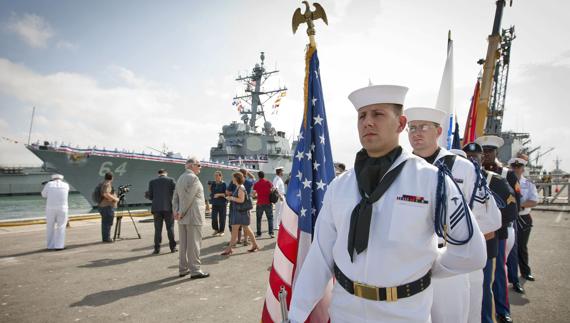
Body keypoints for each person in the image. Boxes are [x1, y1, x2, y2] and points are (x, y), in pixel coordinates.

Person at [288, 84, 486, 322]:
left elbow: (472, 253)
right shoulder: (340, 186)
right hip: (345, 311)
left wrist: (425, 268)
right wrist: (296, 314)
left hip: (404, 313)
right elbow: (320, 256)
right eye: (362, 116)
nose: (367, 122)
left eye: (378, 114)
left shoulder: (431, 180)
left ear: (401, 124)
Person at [404, 107, 501, 323]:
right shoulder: (401, 168)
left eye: (423, 127)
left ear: (438, 132)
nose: (416, 133)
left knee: (450, 317)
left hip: (450, 262)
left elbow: (490, 219)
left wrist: (456, 246)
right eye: (412, 128)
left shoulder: (463, 168)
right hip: (409, 261)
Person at [463, 142, 518, 323]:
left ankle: (489, 318)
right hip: (462, 244)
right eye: (468, 157)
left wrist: (487, 227)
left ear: (482, 159)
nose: (472, 160)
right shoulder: (455, 179)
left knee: (486, 286)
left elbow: (510, 211)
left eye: (476, 157)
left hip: (489, 242)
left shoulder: (494, 180)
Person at [172, 158, 209, 279]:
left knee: (183, 245)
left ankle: (183, 269)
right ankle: (195, 270)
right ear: (191, 166)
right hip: (193, 216)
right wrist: (181, 212)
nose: (200, 167)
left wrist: (176, 212)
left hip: (182, 217)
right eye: (198, 165)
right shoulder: (194, 178)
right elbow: (189, 197)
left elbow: (175, 198)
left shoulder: (180, 178)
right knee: (194, 244)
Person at [509, 156, 538, 282]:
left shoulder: (529, 184)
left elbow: (534, 201)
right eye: (514, 167)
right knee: (509, 248)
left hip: (523, 217)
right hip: (509, 218)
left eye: (518, 167)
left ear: (523, 169)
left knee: (521, 246)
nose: (516, 169)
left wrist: (519, 205)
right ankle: (510, 275)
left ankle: (526, 272)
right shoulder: (505, 182)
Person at [221, 172, 260, 255]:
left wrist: (231, 198)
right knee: (246, 229)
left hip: (240, 213)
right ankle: (255, 245)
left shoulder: (240, 188)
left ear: (236, 179)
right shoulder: (240, 187)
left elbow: (241, 200)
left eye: (233, 178)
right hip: (241, 212)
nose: (232, 179)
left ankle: (229, 249)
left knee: (236, 230)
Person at [147, 169, 177, 254]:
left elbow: (150, 196)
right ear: (166, 173)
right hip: (168, 208)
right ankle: (173, 248)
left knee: (157, 230)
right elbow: (177, 192)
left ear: (158, 174)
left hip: (156, 208)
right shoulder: (171, 180)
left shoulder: (152, 182)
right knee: (170, 228)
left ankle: (157, 249)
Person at [41, 174, 70, 250]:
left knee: (50, 226)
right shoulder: (66, 185)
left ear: (53, 178)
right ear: (61, 178)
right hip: (63, 208)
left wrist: (47, 186)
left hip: (50, 208)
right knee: (61, 227)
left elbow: (43, 195)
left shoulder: (49, 184)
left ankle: (50, 246)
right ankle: (59, 246)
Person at [98, 172, 119, 243]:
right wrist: (115, 199)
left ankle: (105, 238)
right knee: (108, 223)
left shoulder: (103, 183)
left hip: (103, 206)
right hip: (107, 206)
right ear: (112, 178)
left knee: (105, 223)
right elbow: (105, 194)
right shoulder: (107, 184)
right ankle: (107, 238)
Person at [253, 171, 274, 238]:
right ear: (264, 175)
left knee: (259, 219)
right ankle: (271, 233)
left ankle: (259, 233)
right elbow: (272, 190)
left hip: (259, 203)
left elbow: (254, 194)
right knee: (270, 218)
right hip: (268, 203)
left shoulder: (256, 184)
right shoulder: (268, 182)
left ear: (258, 176)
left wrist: (257, 195)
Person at [209, 171, 227, 237]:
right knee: (213, 217)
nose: (215, 177)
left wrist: (219, 194)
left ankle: (222, 231)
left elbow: (226, 194)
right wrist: (210, 186)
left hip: (222, 203)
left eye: (217, 176)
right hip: (215, 203)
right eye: (215, 176)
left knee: (222, 218)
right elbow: (211, 191)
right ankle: (216, 229)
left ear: (220, 176)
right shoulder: (213, 183)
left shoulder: (224, 184)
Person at [272, 166, 285, 231]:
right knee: (277, 211)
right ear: (279, 172)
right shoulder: (276, 179)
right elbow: (275, 189)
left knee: (281, 211)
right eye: (282, 171)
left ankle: (279, 223)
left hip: (281, 196)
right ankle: (275, 225)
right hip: (279, 197)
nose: (283, 172)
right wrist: (280, 196)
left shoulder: (279, 178)